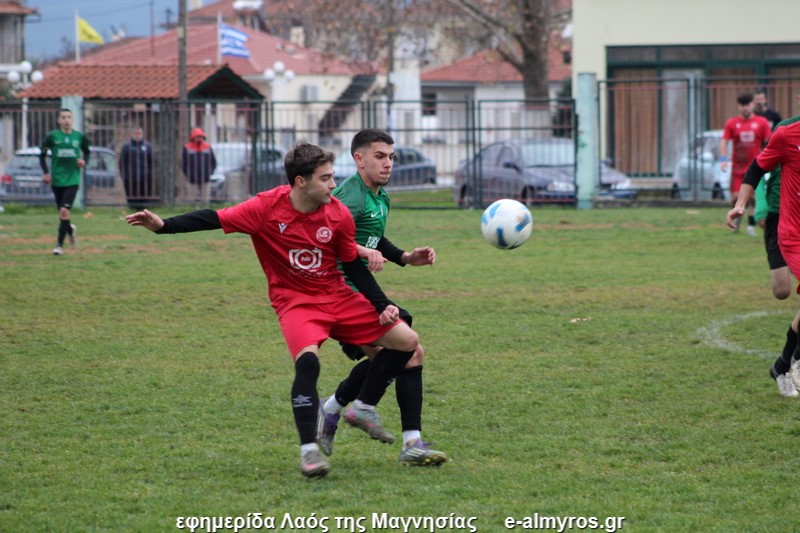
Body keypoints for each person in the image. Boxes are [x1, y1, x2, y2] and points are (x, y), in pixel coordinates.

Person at [126, 142, 421, 478]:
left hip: (337, 296)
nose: (333, 184)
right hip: (296, 302)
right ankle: (309, 452)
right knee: (308, 363)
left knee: (407, 342)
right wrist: (163, 226)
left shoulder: (337, 213)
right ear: (301, 182)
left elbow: (352, 265)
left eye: (332, 176)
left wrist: (383, 304)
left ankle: (361, 406)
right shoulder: (265, 207)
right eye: (325, 178)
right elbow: (213, 217)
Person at [317, 129, 447, 466]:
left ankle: (339, 410)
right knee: (407, 349)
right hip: (341, 294)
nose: (388, 163)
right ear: (359, 159)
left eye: (391, 157)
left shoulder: (379, 196)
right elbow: (325, 237)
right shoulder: (350, 197)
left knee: (406, 355)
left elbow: (373, 236)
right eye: (380, 156)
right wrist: (362, 253)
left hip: (361, 290)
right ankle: (362, 411)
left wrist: (405, 257)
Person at [726, 112, 800, 397]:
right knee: (782, 290)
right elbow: (756, 168)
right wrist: (741, 204)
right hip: (793, 233)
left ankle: (783, 364)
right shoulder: (786, 134)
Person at [719, 92, 771, 237]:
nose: (745, 108)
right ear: (738, 106)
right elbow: (724, 141)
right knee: (736, 198)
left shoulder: (762, 122)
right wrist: (722, 159)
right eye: (742, 105)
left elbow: (770, 141)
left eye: (747, 104)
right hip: (737, 169)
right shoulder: (732, 123)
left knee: (752, 198)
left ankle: (751, 226)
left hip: (755, 168)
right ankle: (736, 218)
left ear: (752, 104)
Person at [40, 108, 90, 256]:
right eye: (63, 117)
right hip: (57, 180)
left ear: (72, 120)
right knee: (62, 214)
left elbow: (87, 151)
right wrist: (46, 173)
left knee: (64, 211)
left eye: (69, 117)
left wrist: (84, 161)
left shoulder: (78, 137)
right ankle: (70, 230)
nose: (66, 120)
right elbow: (42, 154)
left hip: (72, 180)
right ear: (59, 120)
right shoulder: (52, 137)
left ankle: (59, 246)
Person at [119, 126, 154, 209]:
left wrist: (150, 174)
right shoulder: (126, 146)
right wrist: (124, 176)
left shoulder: (147, 146)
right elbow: (122, 162)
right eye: (136, 133)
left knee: (144, 197)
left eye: (139, 133)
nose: (137, 135)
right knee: (132, 196)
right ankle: (132, 210)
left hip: (144, 177)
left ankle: (143, 210)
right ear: (132, 134)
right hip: (130, 177)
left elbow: (151, 162)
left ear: (142, 134)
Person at [181, 127, 216, 205]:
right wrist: (189, 174)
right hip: (192, 179)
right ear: (193, 138)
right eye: (197, 137)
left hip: (205, 178)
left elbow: (213, 162)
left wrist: (209, 173)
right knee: (191, 200)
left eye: (201, 137)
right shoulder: (187, 147)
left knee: (205, 200)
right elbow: (183, 163)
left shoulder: (207, 147)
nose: (199, 138)